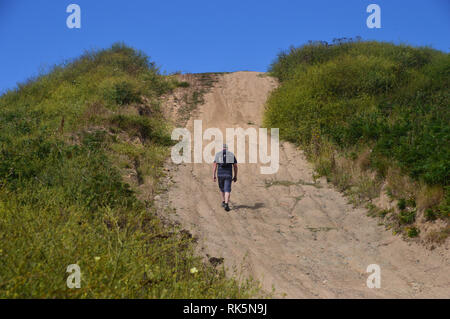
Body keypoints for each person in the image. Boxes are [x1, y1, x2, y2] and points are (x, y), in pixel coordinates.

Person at [213, 144, 237, 211]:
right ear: (227, 148)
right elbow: (235, 166)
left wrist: (214, 175)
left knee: (221, 188)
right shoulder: (231, 155)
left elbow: (215, 165)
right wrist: (235, 175)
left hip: (220, 174)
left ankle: (223, 201)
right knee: (227, 190)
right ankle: (226, 204)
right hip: (228, 175)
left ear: (222, 148)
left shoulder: (218, 154)